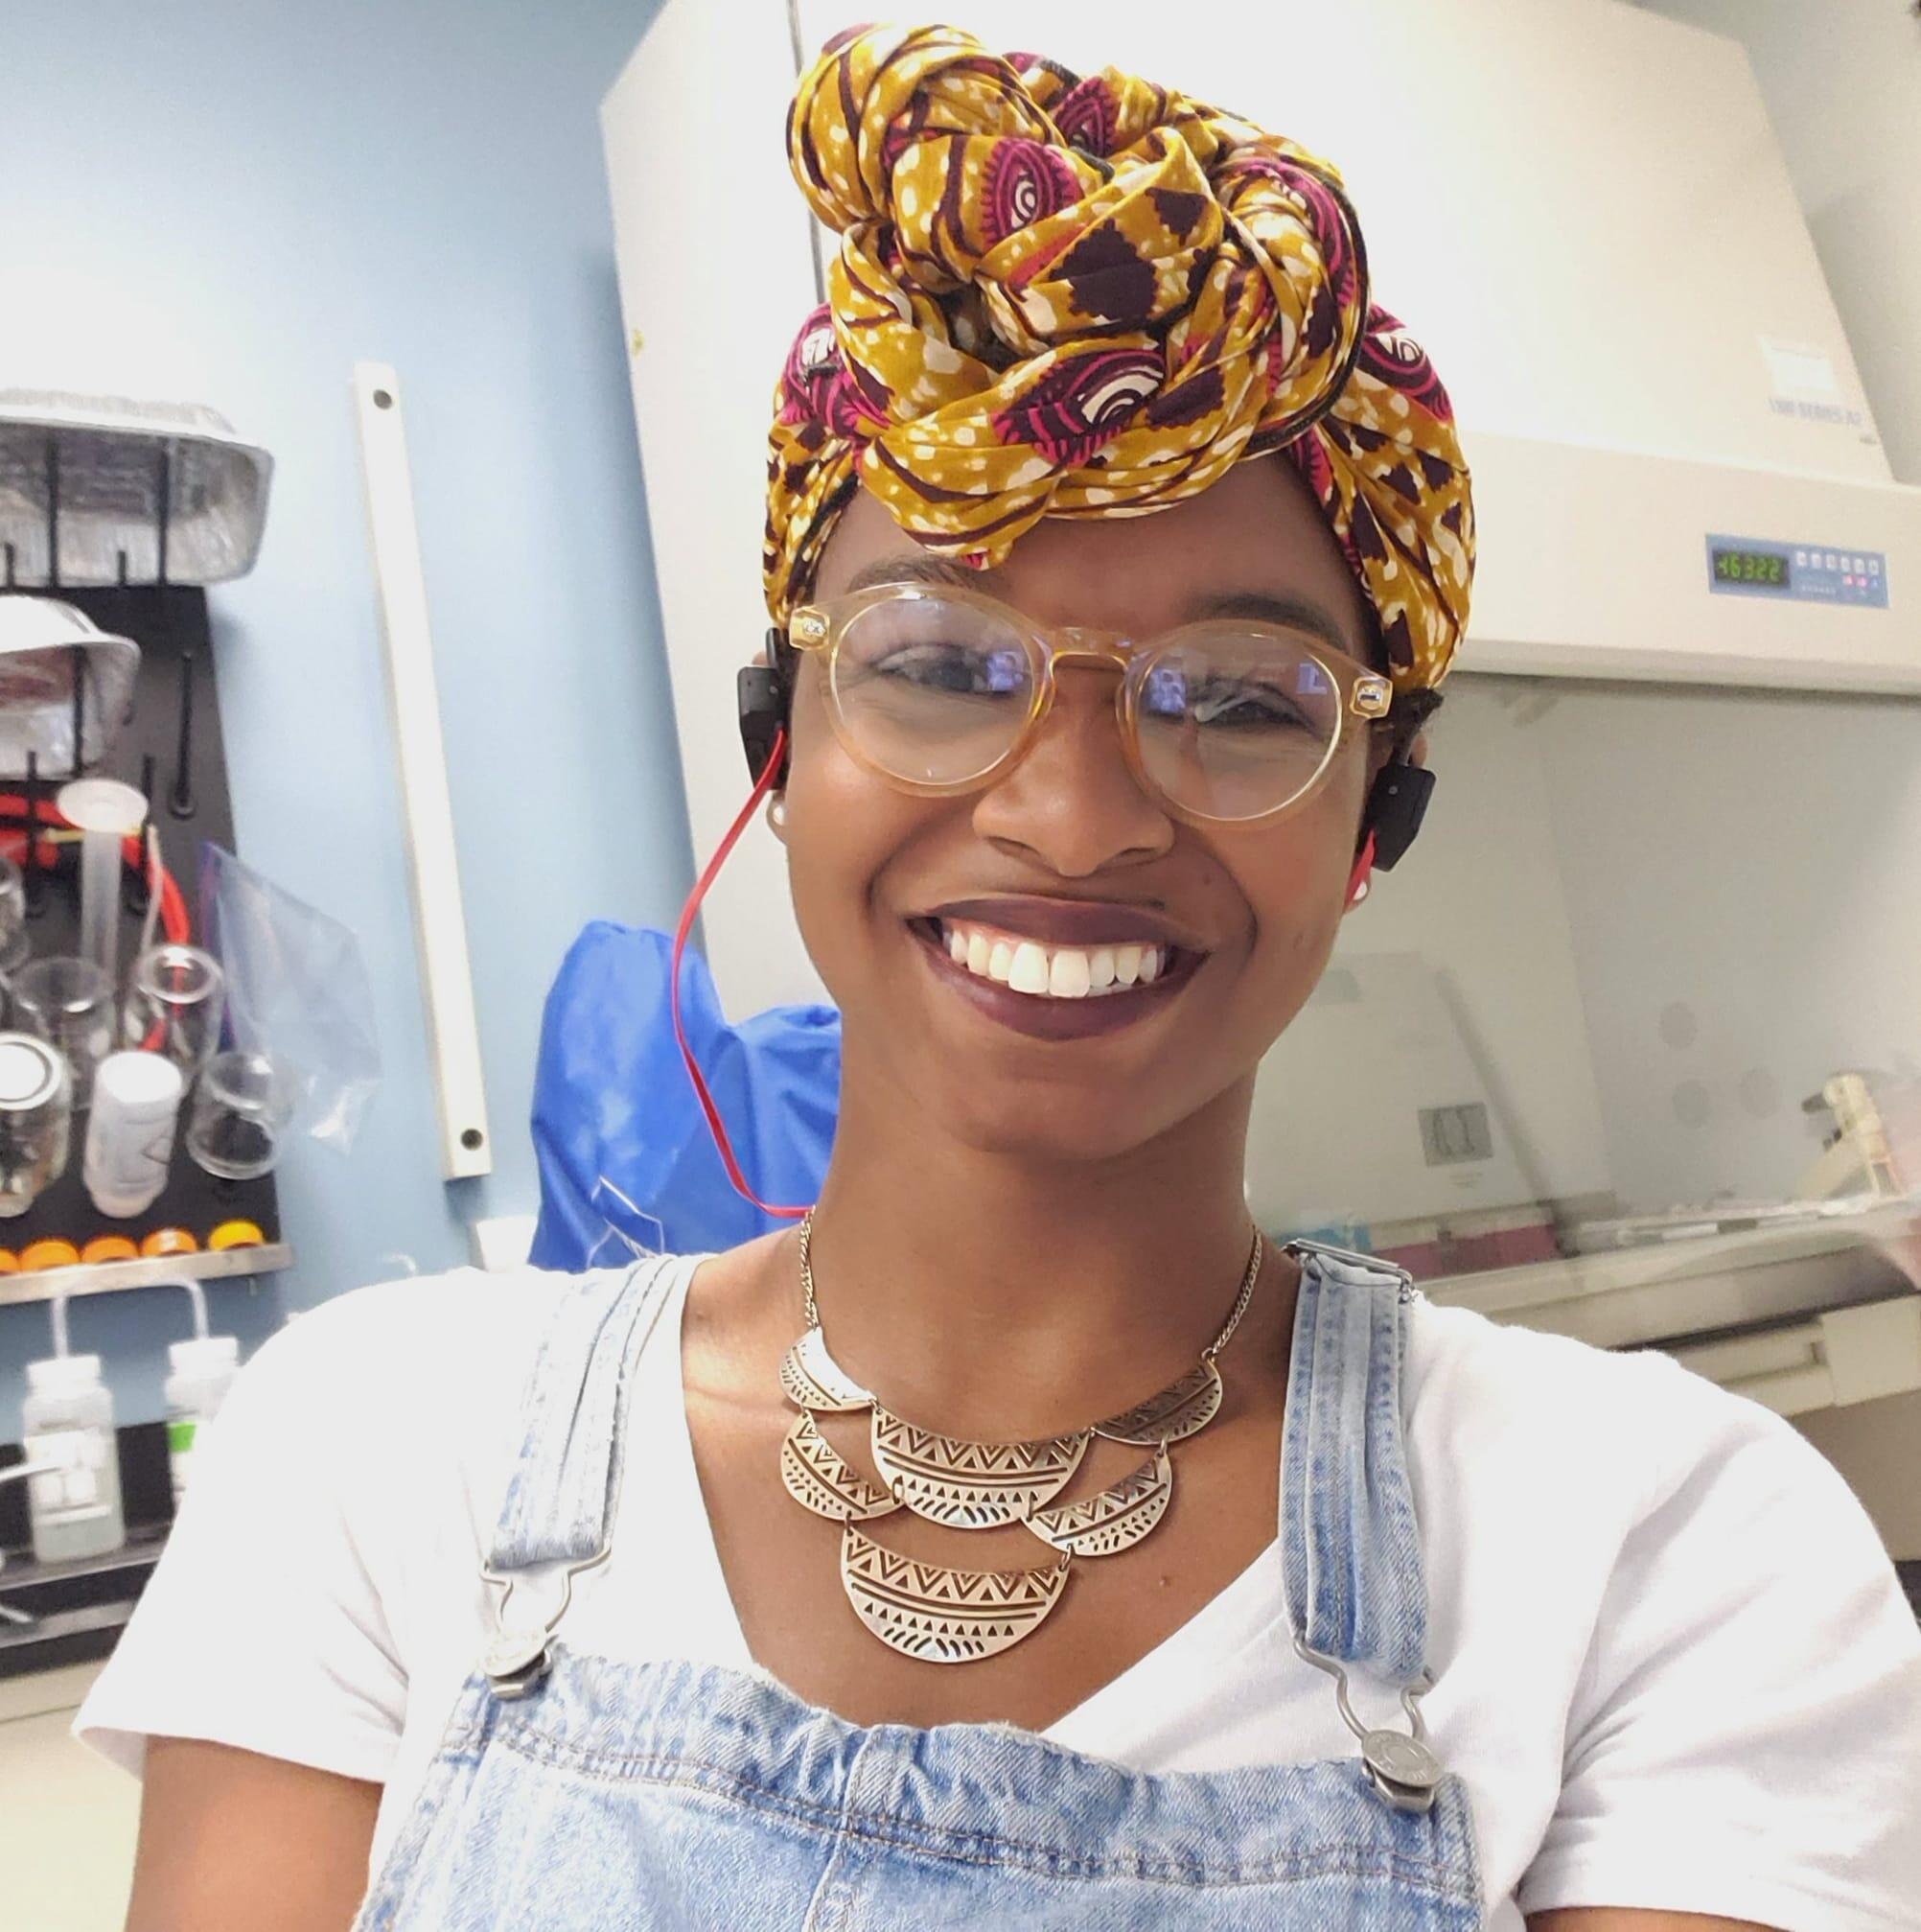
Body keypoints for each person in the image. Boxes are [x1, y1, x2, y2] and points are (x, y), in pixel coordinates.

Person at [79, 23, 1921, 1931]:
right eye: (944, 662)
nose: (1068, 815)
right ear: (777, 749)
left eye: (1241, 702)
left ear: (1378, 820)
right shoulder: (378, 1451)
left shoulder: (1663, 1552)